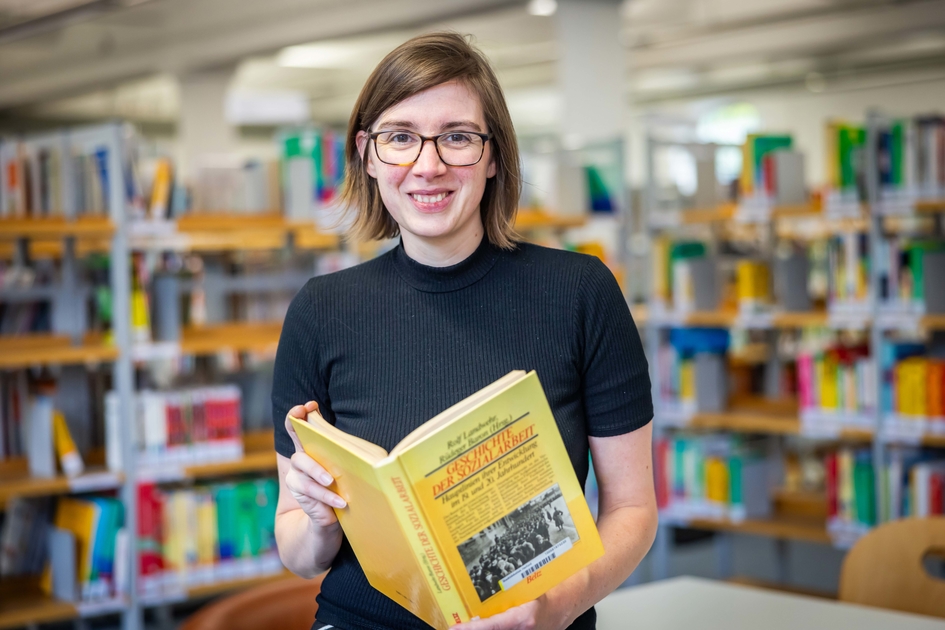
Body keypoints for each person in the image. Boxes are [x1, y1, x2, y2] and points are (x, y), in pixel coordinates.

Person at [272, 31, 657, 630]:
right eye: (400, 138)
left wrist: (554, 610)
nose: (428, 164)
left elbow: (632, 507)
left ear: (494, 155)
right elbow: (296, 553)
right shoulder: (320, 312)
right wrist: (317, 520)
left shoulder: (580, 292)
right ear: (368, 155)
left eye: (456, 137)